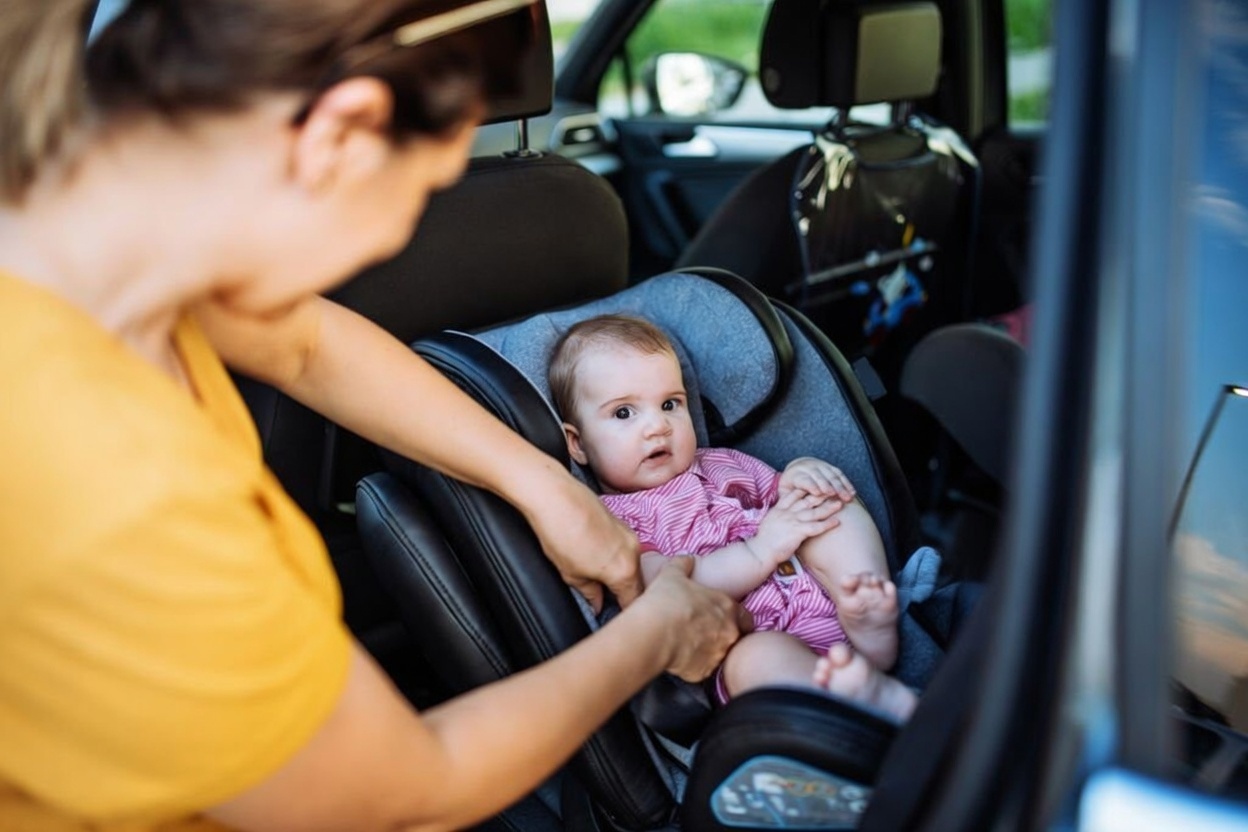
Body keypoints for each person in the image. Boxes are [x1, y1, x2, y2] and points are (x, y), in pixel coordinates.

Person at [0, 2, 750, 830]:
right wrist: (654, 636)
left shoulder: (97, 253)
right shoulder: (113, 490)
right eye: (423, 189)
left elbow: (305, 345)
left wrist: (546, 485)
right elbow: (410, 792)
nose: (395, 240)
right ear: (343, 131)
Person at [549, 314, 919, 721]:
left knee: (826, 501)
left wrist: (801, 472)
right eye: (624, 413)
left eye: (670, 404)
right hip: (747, 638)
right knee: (755, 659)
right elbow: (666, 589)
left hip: (822, 594)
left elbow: (784, 497)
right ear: (577, 443)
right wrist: (760, 551)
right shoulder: (611, 522)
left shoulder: (721, 462)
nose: (657, 426)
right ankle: (849, 700)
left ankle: (867, 616)